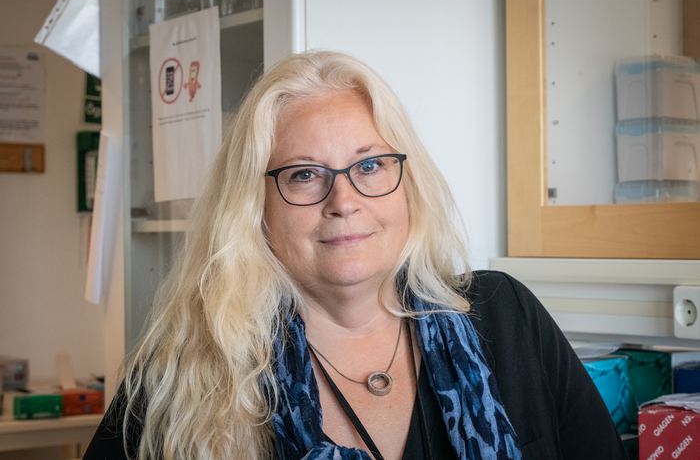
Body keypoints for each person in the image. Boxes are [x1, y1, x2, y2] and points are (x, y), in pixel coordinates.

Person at [83, 51, 627, 460]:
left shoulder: (505, 314)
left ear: (406, 183)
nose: (343, 202)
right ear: (254, 207)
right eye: (304, 174)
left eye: (369, 166)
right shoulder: (185, 377)